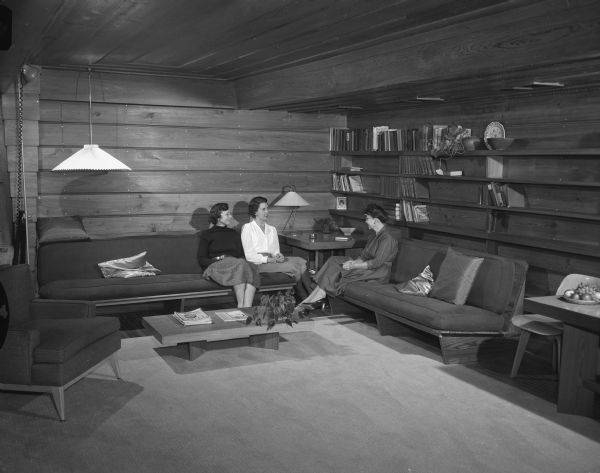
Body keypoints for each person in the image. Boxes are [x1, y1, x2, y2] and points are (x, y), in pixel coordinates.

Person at [297, 203, 398, 308]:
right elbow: (363, 256)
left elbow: (376, 263)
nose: (365, 221)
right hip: (367, 266)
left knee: (338, 269)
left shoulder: (387, 239)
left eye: (367, 218)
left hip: (377, 272)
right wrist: (354, 262)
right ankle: (318, 295)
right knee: (334, 260)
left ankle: (314, 298)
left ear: (376, 221)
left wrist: (354, 266)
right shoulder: (373, 235)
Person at [198, 203, 259, 308]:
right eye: (227, 214)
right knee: (241, 264)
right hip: (216, 266)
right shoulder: (206, 234)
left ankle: (246, 306)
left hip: (235, 265)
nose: (230, 217)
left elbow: (241, 255)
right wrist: (219, 262)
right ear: (218, 217)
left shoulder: (234, 233)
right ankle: (242, 306)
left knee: (250, 265)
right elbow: (202, 259)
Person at [241, 196, 307, 282]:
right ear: (255, 212)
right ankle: (305, 293)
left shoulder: (272, 229)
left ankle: (308, 293)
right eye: (263, 209)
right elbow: (249, 256)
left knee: (301, 262)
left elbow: (276, 251)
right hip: (258, 264)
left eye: (267, 209)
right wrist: (269, 259)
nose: (267, 212)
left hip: (272, 260)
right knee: (294, 266)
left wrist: (279, 256)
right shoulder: (248, 228)